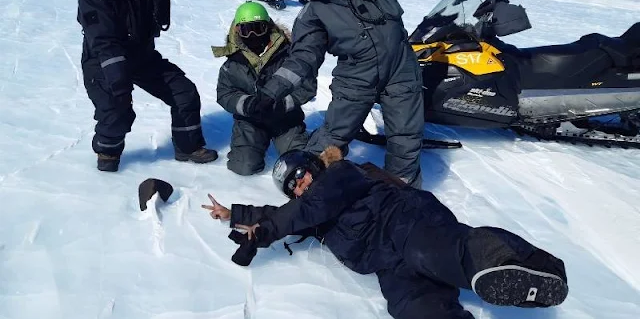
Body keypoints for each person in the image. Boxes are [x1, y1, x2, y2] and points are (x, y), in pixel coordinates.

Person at [202, 148, 569, 319]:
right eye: (293, 185)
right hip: (386, 263)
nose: (301, 185)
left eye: (302, 174)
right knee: (412, 307)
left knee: (440, 252)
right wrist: (234, 213)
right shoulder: (310, 212)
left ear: (315, 166)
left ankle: (528, 266)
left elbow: (300, 211)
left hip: (404, 223)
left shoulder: (342, 174)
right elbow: (286, 214)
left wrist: (265, 231)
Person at [241, 0, 425, 187]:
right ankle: (309, 183)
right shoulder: (314, 12)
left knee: (406, 136)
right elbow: (302, 59)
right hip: (356, 77)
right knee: (334, 136)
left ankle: (402, 195)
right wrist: (271, 91)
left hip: (401, 69)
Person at [75, 0, 218, 172]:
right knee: (117, 112)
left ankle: (188, 148)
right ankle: (107, 157)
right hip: (103, 59)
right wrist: (119, 83)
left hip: (141, 54)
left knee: (184, 92)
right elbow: (104, 40)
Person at [212, 2, 317, 175]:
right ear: (238, 30)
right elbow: (224, 93)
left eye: (258, 28)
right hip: (251, 121)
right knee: (243, 167)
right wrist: (247, 105)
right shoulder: (233, 63)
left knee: (300, 164)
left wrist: (283, 104)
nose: (253, 35)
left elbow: (307, 86)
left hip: (285, 119)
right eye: (247, 30)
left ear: (268, 27)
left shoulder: (288, 54)